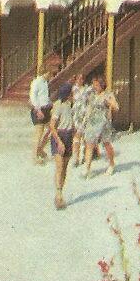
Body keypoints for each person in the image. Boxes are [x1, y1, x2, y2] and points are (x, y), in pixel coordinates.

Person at [81, 75, 119, 179]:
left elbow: (116, 107)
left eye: (97, 85)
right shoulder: (92, 95)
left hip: (103, 123)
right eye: (94, 85)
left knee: (106, 144)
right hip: (92, 122)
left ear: (102, 85)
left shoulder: (108, 94)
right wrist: (85, 119)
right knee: (89, 144)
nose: (95, 87)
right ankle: (87, 169)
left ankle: (111, 164)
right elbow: (89, 107)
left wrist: (109, 103)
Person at [48, 82, 76, 210]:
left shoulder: (70, 105)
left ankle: (60, 192)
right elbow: (52, 126)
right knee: (59, 166)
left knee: (64, 167)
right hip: (59, 135)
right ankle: (58, 194)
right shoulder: (58, 106)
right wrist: (59, 142)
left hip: (69, 135)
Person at [29, 67, 53, 164]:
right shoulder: (36, 82)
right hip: (38, 109)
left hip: (46, 108)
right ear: (45, 72)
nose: (50, 76)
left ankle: (40, 149)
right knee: (38, 133)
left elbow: (44, 96)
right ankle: (34, 156)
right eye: (49, 73)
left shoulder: (45, 82)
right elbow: (33, 96)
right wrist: (38, 110)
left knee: (51, 129)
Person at [70, 73, 89, 166]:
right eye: (78, 78)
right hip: (76, 114)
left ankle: (85, 155)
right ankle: (76, 157)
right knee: (77, 135)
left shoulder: (86, 89)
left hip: (85, 114)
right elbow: (71, 101)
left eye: (82, 79)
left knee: (84, 135)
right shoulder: (73, 89)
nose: (80, 80)